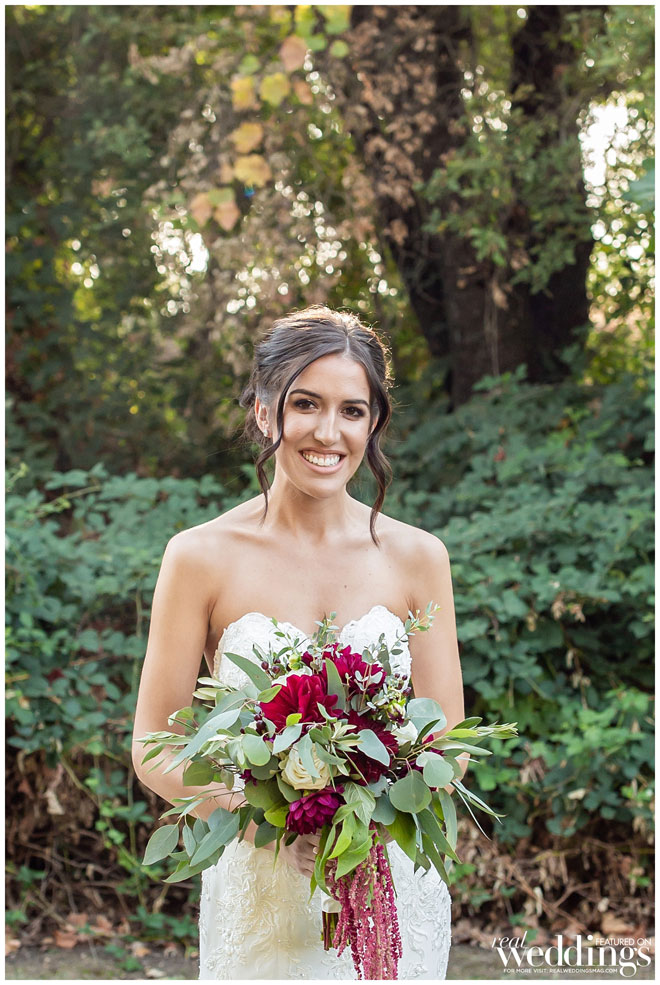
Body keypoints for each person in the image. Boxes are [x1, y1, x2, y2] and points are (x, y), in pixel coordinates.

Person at [132, 306, 468, 980]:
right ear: (265, 412)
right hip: (262, 894)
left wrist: (368, 816)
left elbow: (448, 741)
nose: (328, 432)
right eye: (305, 404)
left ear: (373, 424)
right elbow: (153, 743)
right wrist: (258, 819)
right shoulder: (199, 557)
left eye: (352, 410)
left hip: (385, 885)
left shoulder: (419, 557)